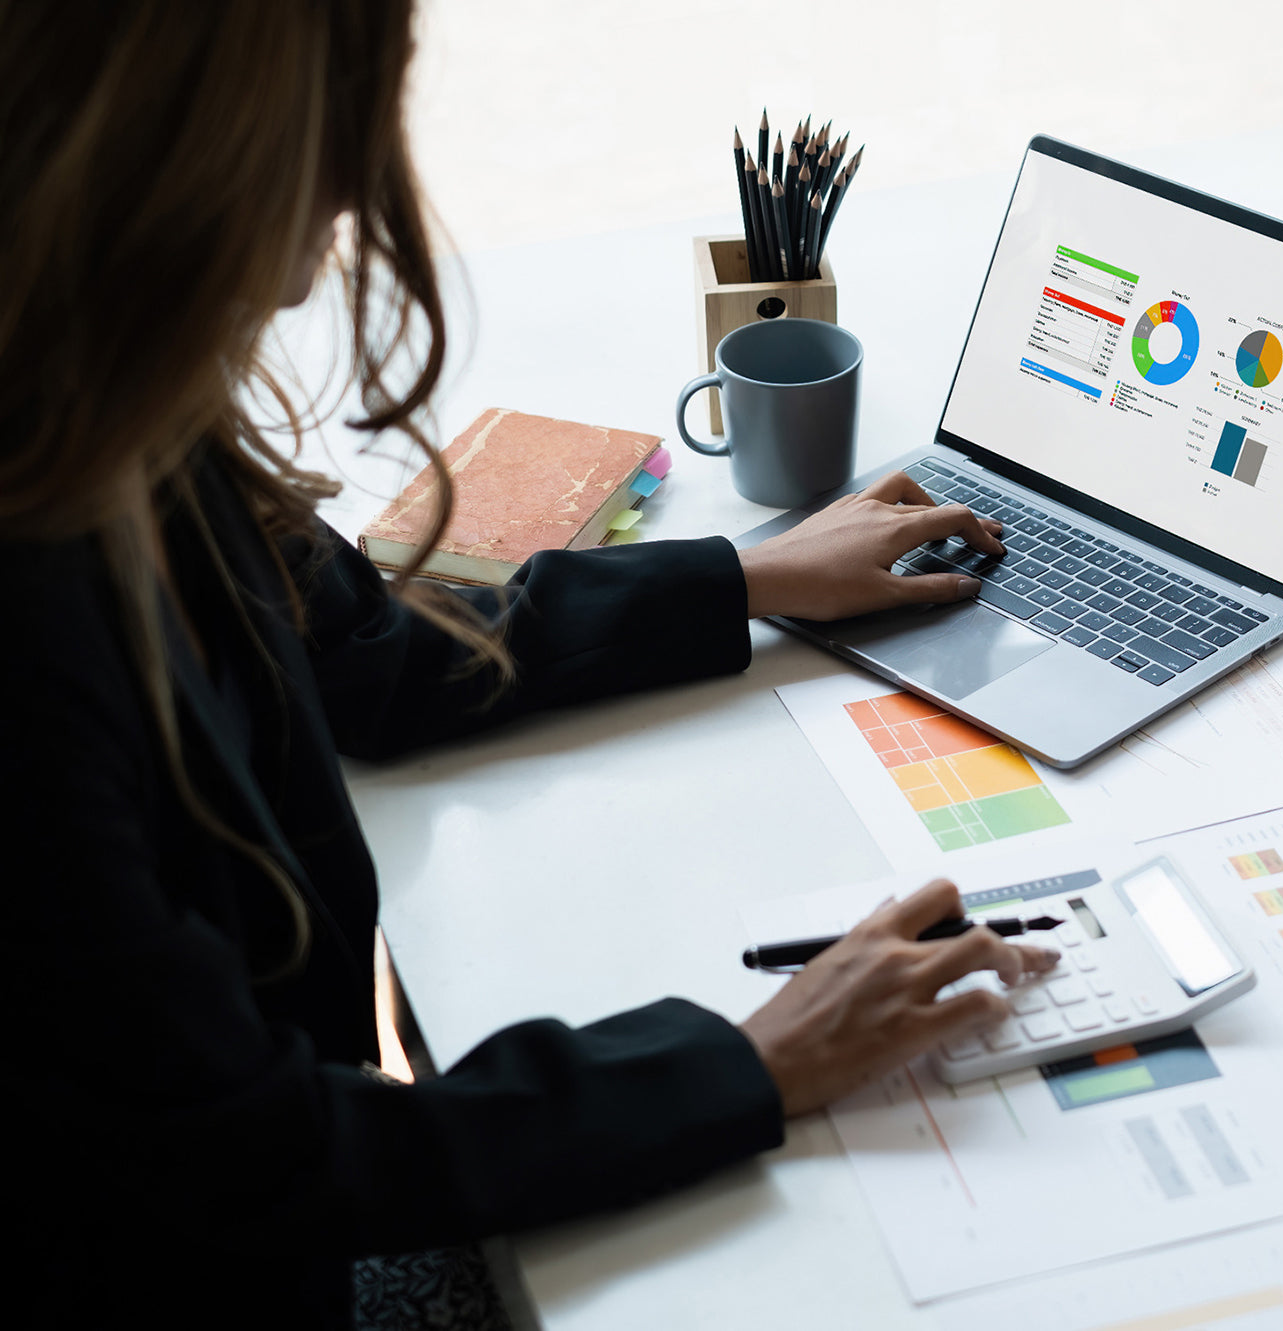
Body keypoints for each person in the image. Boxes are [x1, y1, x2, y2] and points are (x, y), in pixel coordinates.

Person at [0, 3, 1056, 1327]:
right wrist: (748, 1062)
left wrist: (750, 575)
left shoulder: (106, 401)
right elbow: (247, 1156)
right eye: (342, 118)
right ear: (174, 145)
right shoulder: (34, 618)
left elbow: (372, 655)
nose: (355, 187)